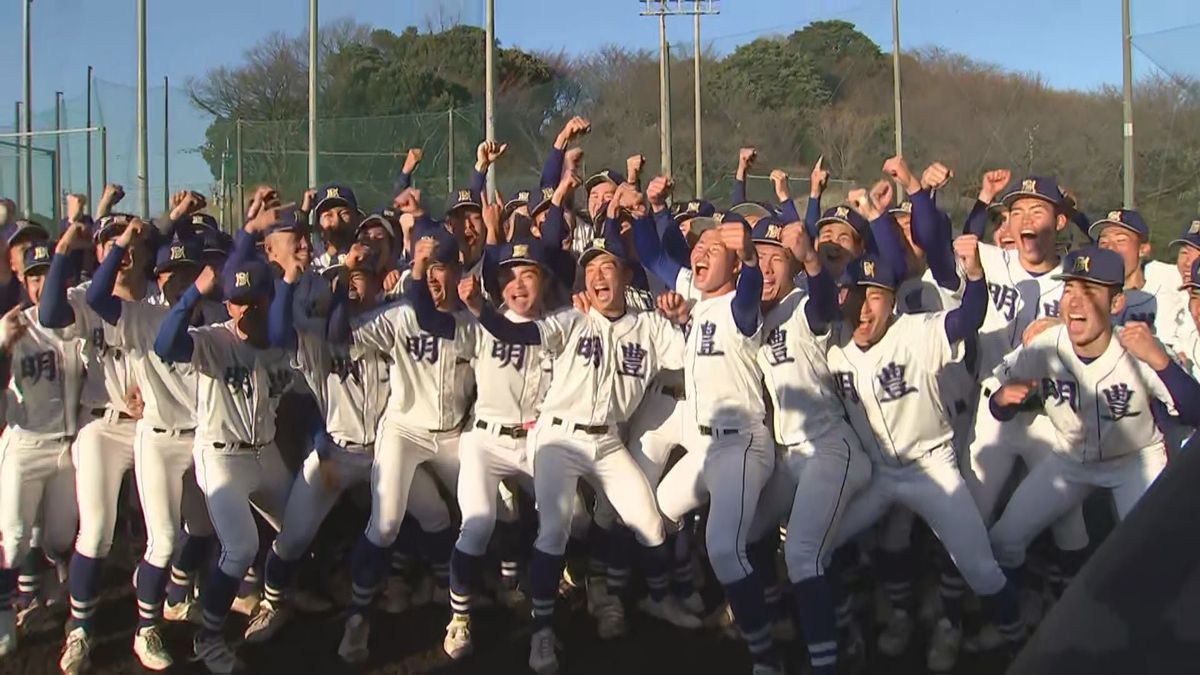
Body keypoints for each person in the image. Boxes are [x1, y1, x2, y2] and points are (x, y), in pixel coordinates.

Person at [462, 229, 702, 675]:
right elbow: (519, 332)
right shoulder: (573, 319)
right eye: (589, 269)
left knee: (648, 522)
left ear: (626, 275)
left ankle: (646, 596)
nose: (596, 276)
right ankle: (542, 633)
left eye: (606, 266)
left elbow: (692, 357)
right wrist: (478, 307)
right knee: (553, 531)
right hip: (559, 437)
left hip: (607, 439)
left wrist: (683, 317)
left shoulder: (650, 327)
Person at [824, 243, 1025, 673]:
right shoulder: (833, 342)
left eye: (874, 296)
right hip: (879, 472)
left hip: (931, 469)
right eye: (854, 295)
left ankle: (1022, 644)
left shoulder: (914, 331)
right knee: (819, 545)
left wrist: (974, 276)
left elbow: (968, 318)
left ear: (893, 302)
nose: (862, 308)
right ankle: (871, 625)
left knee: (980, 568)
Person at [988, 247, 1200, 571]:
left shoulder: (1138, 347)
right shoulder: (1045, 345)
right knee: (1002, 540)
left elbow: (1194, 412)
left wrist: (1160, 361)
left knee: (1154, 558)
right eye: (1069, 289)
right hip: (1069, 460)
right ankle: (1018, 613)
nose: (1074, 301)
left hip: (1136, 461)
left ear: (1116, 304)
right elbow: (998, 405)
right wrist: (1002, 400)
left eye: (1089, 290)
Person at [86, 228, 225, 670]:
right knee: (162, 539)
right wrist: (121, 244)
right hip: (159, 438)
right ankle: (146, 631)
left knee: (202, 531)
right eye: (169, 273)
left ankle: (176, 597)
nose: (178, 281)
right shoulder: (141, 315)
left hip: (201, 438)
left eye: (187, 272)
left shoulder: (219, 312)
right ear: (156, 276)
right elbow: (94, 297)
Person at [652, 214, 783, 675]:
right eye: (698, 247)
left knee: (725, 549)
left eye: (714, 247)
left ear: (731, 262)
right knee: (660, 509)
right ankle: (687, 591)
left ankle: (765, 655)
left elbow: (749, 291)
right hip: (708, 447)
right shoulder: (701, 307)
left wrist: (748, 256)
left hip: (743, 443)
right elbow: (654, 253)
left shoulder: (739, 307)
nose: (702, 252)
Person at [335, 223, 470, 665]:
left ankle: (465, 604)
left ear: (458, 270)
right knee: (387, 523)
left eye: (439, 266)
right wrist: (343, 275)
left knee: (478, 513)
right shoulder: (401, 314)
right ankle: (358, 618)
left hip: (452, 435)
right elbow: (342, 333)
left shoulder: (474, 319)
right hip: (404, 431)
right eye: (423, 266)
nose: (431, 275)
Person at [154, 258, 297, 674]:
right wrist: (193, 292)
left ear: (268, 300)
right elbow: (165, 345)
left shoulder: (277, 340)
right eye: (237, 302)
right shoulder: (213, 339)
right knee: (240, 548)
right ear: (228, 305)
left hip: (264, 452)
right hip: (222, 455)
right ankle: (208, 640)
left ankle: (272, 603)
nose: (245, 310)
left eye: (253, 301)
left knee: (299, 529)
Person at [748, 215, 870, 675]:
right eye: (756, 257)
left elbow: (824, 306)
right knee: (746, 533)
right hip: (789, 454)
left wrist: (812, 259)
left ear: (791, 263)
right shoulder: (753, 314)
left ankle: (826, 662)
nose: (764, 266)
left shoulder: (803, 302)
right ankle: (798, 622)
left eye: (773, 257)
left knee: (803, 554)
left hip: (828, 448)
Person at [40, 217, 151, 675]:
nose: (122, 250)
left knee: (178, 524)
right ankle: (80, 629)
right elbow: (48, 314)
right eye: (111, 242)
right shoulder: (87, 299)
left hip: (155, 428)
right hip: (102, 425)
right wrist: (67, 246)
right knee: (98, 529)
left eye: (129, 241)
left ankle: (168, 610)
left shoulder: (160, 298)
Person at [0, 244, 83, 660]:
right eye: (34, 276)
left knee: (59, 537)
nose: (41, 284)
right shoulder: (12, 326)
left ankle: (50, 587)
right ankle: (4, 619)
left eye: (48, 275)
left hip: (67, 449)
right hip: (25, 444)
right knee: (12, 542)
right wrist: (1, 346)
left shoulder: (77, 322)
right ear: (24, 282)